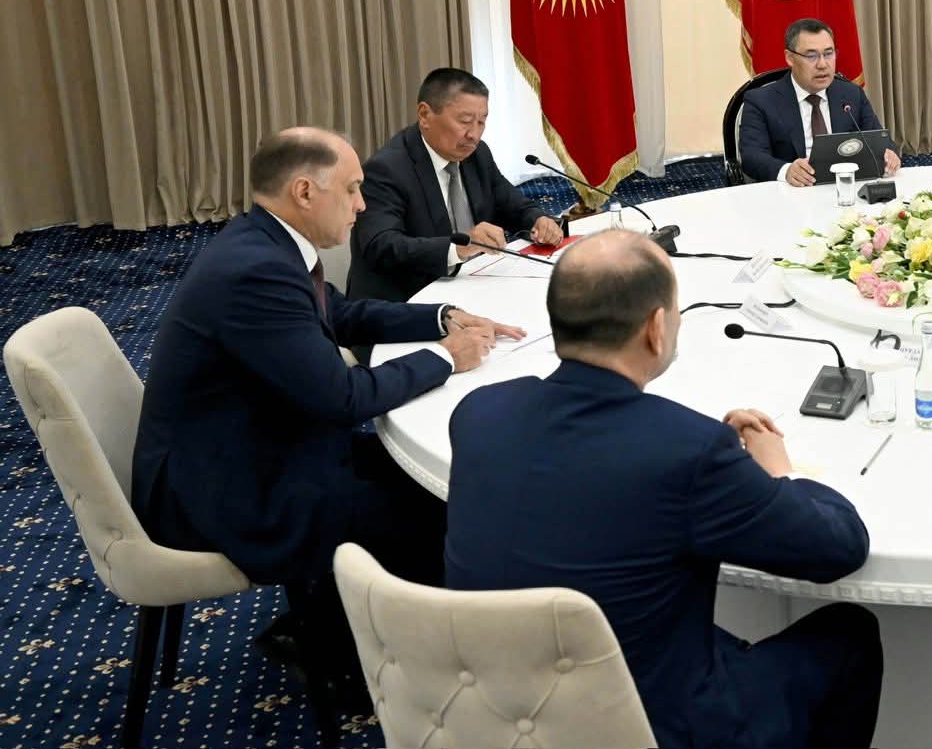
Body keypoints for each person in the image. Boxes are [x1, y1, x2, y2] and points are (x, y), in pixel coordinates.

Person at [443, 229, 882, 749]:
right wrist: (778, 472)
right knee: (849, 636)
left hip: (496, 705)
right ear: (656, 328)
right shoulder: (690, 451)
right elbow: (838, 548)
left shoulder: (479, 412)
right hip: (645, 725)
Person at [131, 128, 518, 706]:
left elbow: (337, 312)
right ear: (305, 192)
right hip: (227, 487)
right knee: (431, 514)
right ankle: (357, 662)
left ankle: (340, 629)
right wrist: (445, 358)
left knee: (427, 483)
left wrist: (441, 317)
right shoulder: (255, 271)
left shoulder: (264, 241)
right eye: (353, 189)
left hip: (252, 442)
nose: (362, 205)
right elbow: (343, 399)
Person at [349, 67, 564, 304]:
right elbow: (383, 246)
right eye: (465, 121)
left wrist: (538, 220)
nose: (474, 135)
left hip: (472, 287)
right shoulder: (386, 169)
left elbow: (511, 204)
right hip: (406, 301)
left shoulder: (477, 154)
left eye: (481, 122)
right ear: (424, 115)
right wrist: (458, 248)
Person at [737, 19, 901, 186]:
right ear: (790, 58)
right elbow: (751, 156)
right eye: (811, 56)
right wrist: (786, 170)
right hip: (793, 190)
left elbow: (883, 142)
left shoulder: (852, 94)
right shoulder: (761, 100)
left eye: (828, 54)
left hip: (845, 186)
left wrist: (890, 155)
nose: (822, 64)